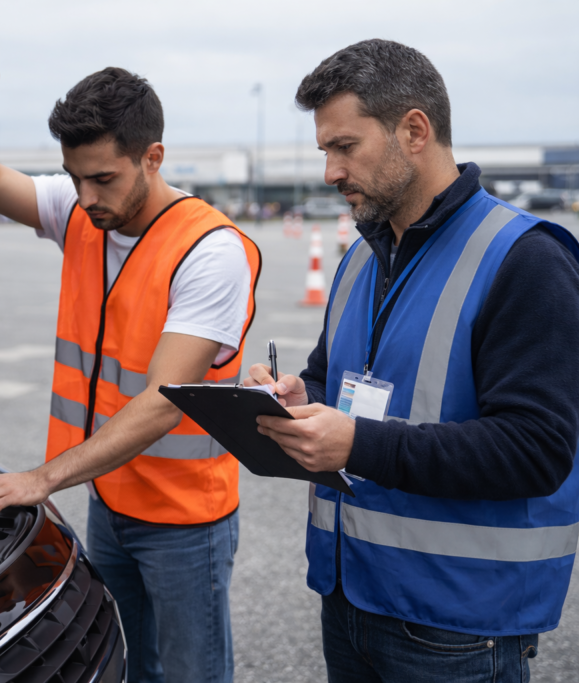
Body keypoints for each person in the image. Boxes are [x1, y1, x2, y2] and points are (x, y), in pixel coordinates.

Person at [244, 39, 579, 682]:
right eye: (324, 152)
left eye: (345, 147)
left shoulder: (525, 259)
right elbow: (336, 379)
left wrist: (357, 445)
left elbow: (538, 449)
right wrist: (297, 396)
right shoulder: (363, 255)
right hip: (350, 596)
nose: (329, 173)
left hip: (459, 622)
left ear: (414, 131)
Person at [0, 31, 260, 683]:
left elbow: (160, 404)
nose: (86, 198)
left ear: (153, 157)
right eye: (74, 177)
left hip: (183, 521)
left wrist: (41, 479)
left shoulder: (210, 251)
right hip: (111, 503)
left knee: (190, 674)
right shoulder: (83, 213)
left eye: (103, 178)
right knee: (121, 666)